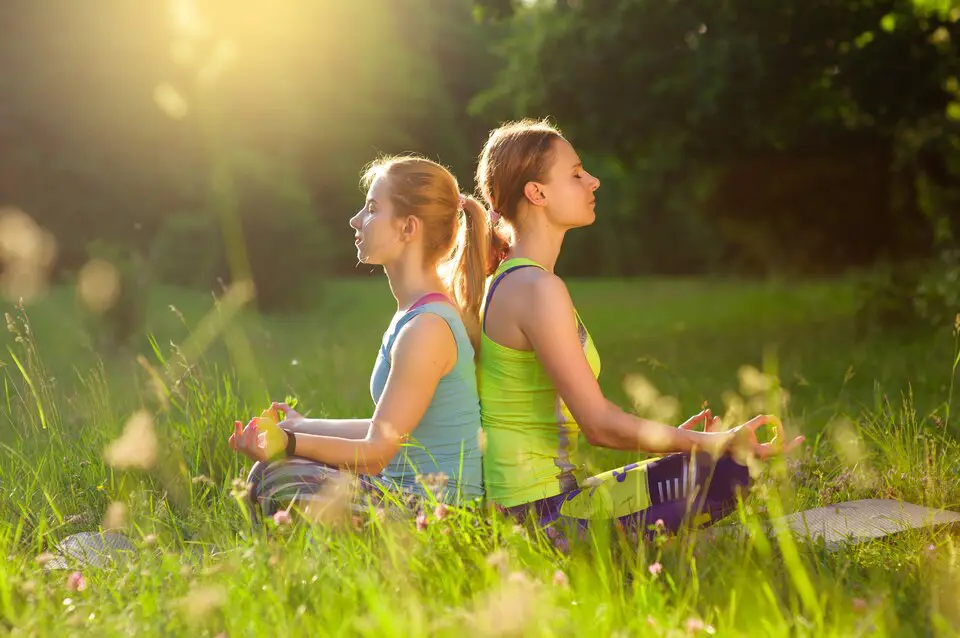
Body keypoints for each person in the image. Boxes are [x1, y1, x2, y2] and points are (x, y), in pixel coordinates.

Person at [474, 119, 804, 539]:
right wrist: (718, 440)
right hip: (540, 518)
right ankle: (627, 554)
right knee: (734, 470)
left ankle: (645, 539)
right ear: (537, 193)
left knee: (711, 467)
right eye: (576, 174)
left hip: (550, 499)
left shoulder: (516, 279)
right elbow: (599, 426)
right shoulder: (536, 288)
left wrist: (680, 441)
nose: (592, 182)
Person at [229, 156, 488, 518]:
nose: (355, 220)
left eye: (371, 208)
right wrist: (301, 427)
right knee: (275, 472)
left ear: (407, 228)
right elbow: (389, 428)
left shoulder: (426, 328)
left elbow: (377, 451)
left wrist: (287, 442)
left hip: (437, 515)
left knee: (276, 480)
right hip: (409, 498)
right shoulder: (415, 315)